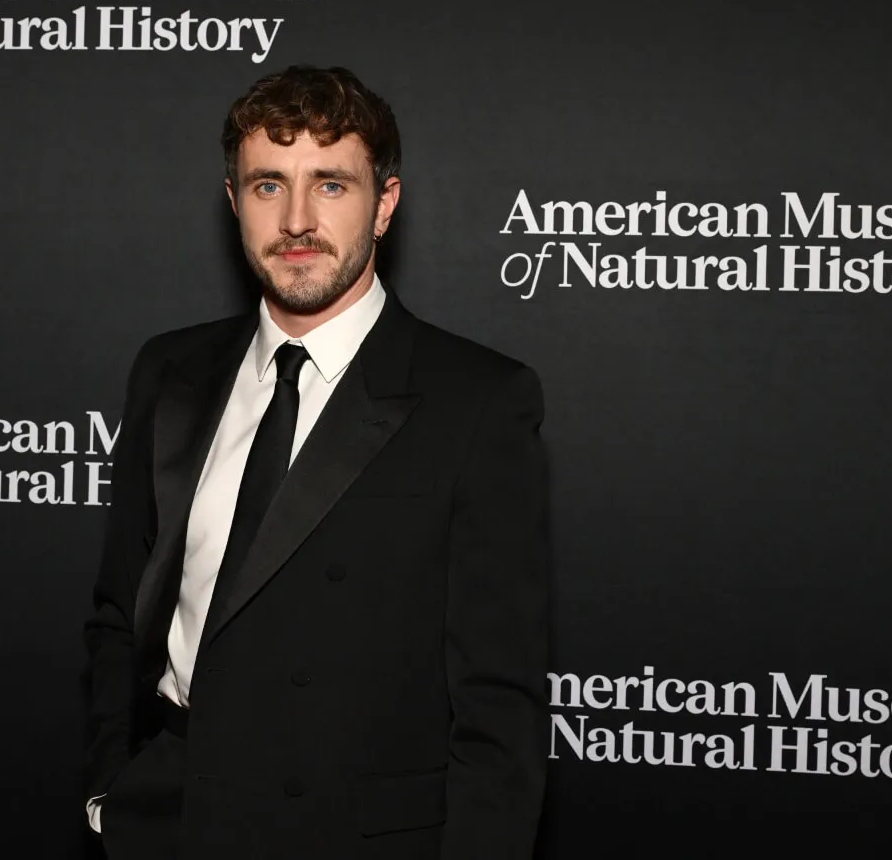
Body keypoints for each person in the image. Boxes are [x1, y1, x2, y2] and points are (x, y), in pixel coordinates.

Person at [83, 64, 549, 859]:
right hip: (168, 822)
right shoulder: (171, 372)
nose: (296, 220)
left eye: (330, 185)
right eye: (268, 186)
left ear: (386, 203)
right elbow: (118, 612)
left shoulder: (476, 399)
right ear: (234, 203)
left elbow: (497, 702)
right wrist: (107, 792)